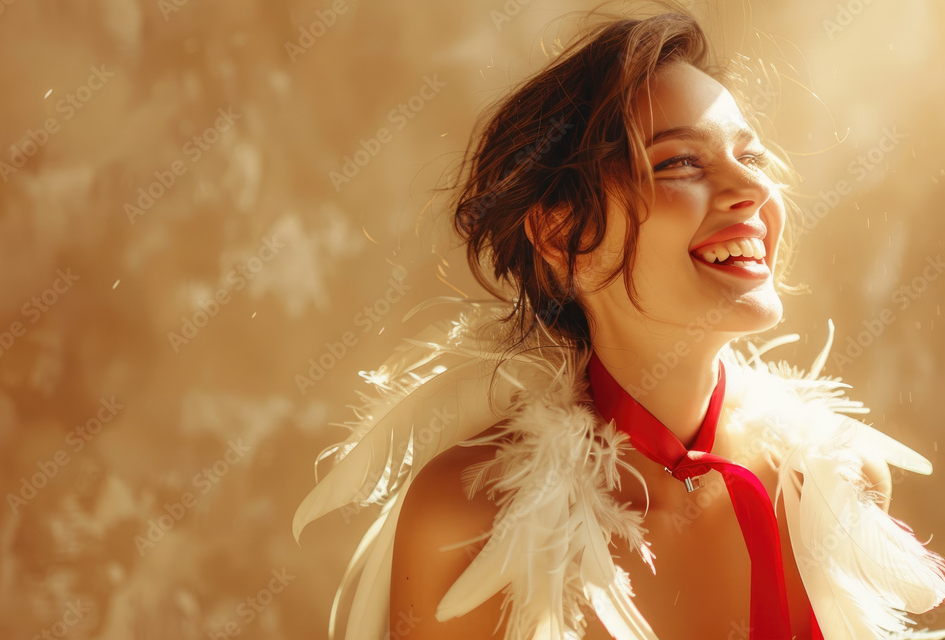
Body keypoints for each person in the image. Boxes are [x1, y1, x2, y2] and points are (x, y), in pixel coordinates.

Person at [293, 5, 945, 639]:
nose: (750, 191)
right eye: (680, 162)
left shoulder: (837, 483)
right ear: (563, 233)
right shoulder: (467, 518)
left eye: (752, 158)